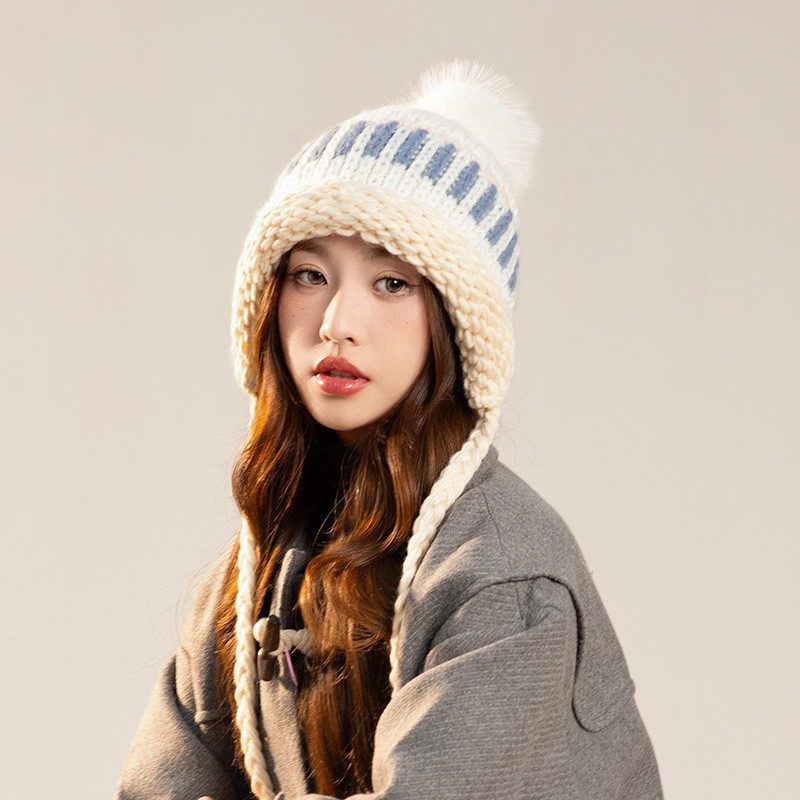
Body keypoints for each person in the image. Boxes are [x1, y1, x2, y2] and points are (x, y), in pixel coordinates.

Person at [116, 62, 663, 800]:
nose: (337, 323)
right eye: (310, 275)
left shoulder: (505, 580)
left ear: (455, 326)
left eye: (392, 283)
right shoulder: (253, 576)